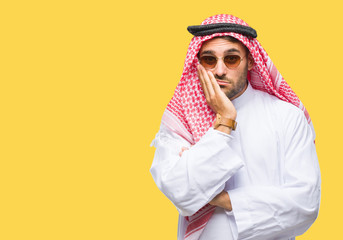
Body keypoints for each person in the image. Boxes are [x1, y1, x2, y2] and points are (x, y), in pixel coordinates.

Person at [150, 14, 321, 240]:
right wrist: (225, 120)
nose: (219, 70)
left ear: (250, 61)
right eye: (209, 60)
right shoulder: (182, 117)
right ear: (198, 63)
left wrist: (223, 200)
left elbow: (306, 203)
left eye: (231, 59)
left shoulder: (287, 117)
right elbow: (181, 192)